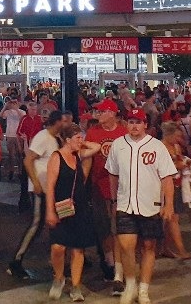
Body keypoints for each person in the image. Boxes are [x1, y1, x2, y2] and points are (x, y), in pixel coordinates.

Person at [105, 109, 177, 304]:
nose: (134, 126)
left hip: (150, 205)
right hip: (125, 204)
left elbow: (167, 177)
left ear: (145, 124)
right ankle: (130, 285)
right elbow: (112, 174)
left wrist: (169, 204)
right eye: (131, 122)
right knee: (126, 246)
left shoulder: (157, 146)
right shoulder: (118, 144)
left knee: (148, 246)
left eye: (138, 122)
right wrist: (114, 200)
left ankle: (143, 289)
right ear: (126, 124)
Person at [7, 110, 65, 280]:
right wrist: (36, 183)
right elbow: (28, 159)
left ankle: (56, 260)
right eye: (63, 121)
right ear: (56, 122)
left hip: (51, 188)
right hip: (41, 188)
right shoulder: (43, 137)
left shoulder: (56, 138)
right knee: (37, 223)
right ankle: (16, 261)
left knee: (53, 224)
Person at [45, 124, 99, 302]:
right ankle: (59, 277)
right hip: (61, 207)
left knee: (78, 248)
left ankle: (76, 285)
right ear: (67, 140)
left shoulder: (78, 155)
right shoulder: (56, 157)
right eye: (77, 138)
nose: (81, 141)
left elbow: (96, 147)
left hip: (79, 207)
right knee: (58, 247)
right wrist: (50, 211)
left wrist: (82, 143)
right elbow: (50, 186)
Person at [85, 100, 128, 290]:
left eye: (102, 111)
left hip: (121, 187)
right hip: (99, 186)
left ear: (112, 113)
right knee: (103, 225)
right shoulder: (93, 132)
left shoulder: (123, 132)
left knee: (119, 226)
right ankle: (109, 260)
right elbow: (88, 159)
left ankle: (119, 263)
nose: (98, 114)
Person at [159, 122, 191, 260]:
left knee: (170, 219)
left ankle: (165, 247)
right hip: (166, 186)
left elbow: (179, 161)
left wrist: (185, 163)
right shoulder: (160, 147)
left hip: (177, 184)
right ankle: (181, 249)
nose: (178, 139)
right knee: (173, 218)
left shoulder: (176, 146)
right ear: (168, 135)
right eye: (176, 136)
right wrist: (179, 165)